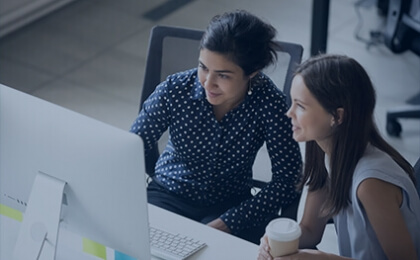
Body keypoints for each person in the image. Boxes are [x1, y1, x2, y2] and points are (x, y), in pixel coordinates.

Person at [130, 10, 302, 244]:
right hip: (169, 193)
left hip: (231, 204)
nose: (208, 83)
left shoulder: (269, 103)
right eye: (203, 67)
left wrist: (232, 221)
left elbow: (289, 178)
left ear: (252, 72)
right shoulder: (175, 89)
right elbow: (131, 148)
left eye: (223, 75)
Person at [258, 54, 420, 259]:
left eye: (300, 106)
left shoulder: (371, 183)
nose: (289, 113)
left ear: (337, 116)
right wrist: (272, 242)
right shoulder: (322, 150)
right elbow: (309, 230)